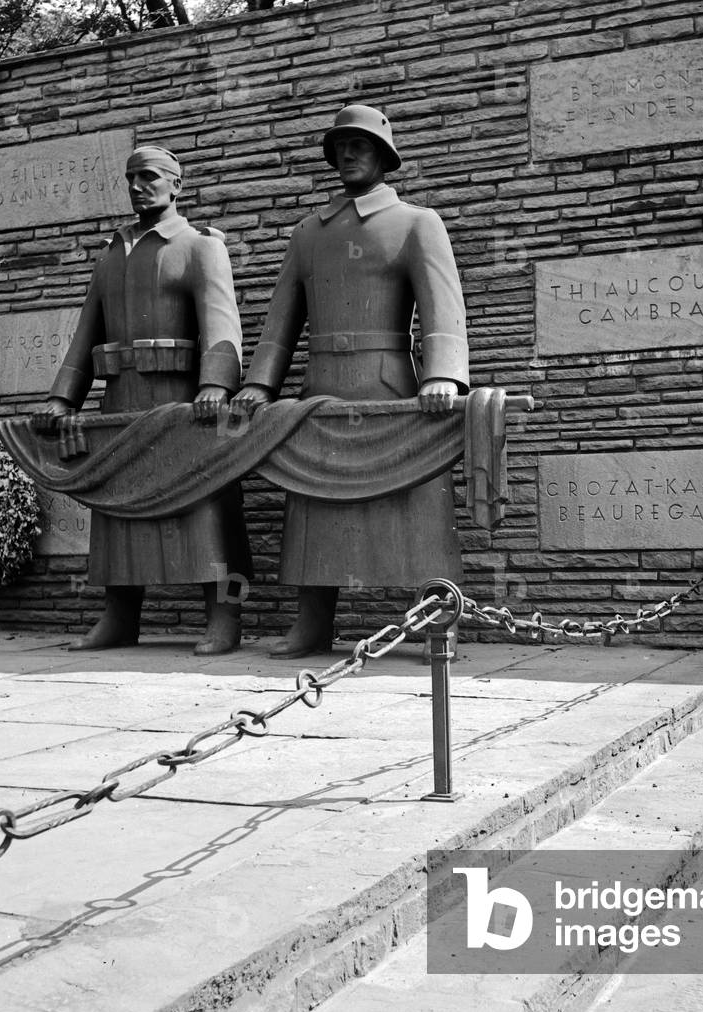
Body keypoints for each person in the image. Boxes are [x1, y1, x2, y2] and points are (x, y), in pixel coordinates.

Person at [230, 104, 469, 658]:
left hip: (392, 387)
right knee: (315, 506)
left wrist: (443, 377)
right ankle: (312, 623)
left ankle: (439, 621)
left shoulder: (416, 222)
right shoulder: (307, 235)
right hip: (321, 389)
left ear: (385, 155)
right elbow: (281, 319)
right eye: (340, 143)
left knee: (418, 505)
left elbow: (442, 306)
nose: (349, 151)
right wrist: (262, 385)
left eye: (360, 143)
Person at [34, 145, 251, 655]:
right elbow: (85, 335)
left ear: (176, 184)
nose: (137, 186)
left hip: (182, 404)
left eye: (149, 176)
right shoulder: (112, 254)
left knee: (206, 515)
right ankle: (119, 615)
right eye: (131, 177)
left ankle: (224, 616)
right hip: (122, 402)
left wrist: (215, 386)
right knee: (118, 514)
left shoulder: (200, 246)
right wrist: (63, 398)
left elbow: (223, 325)